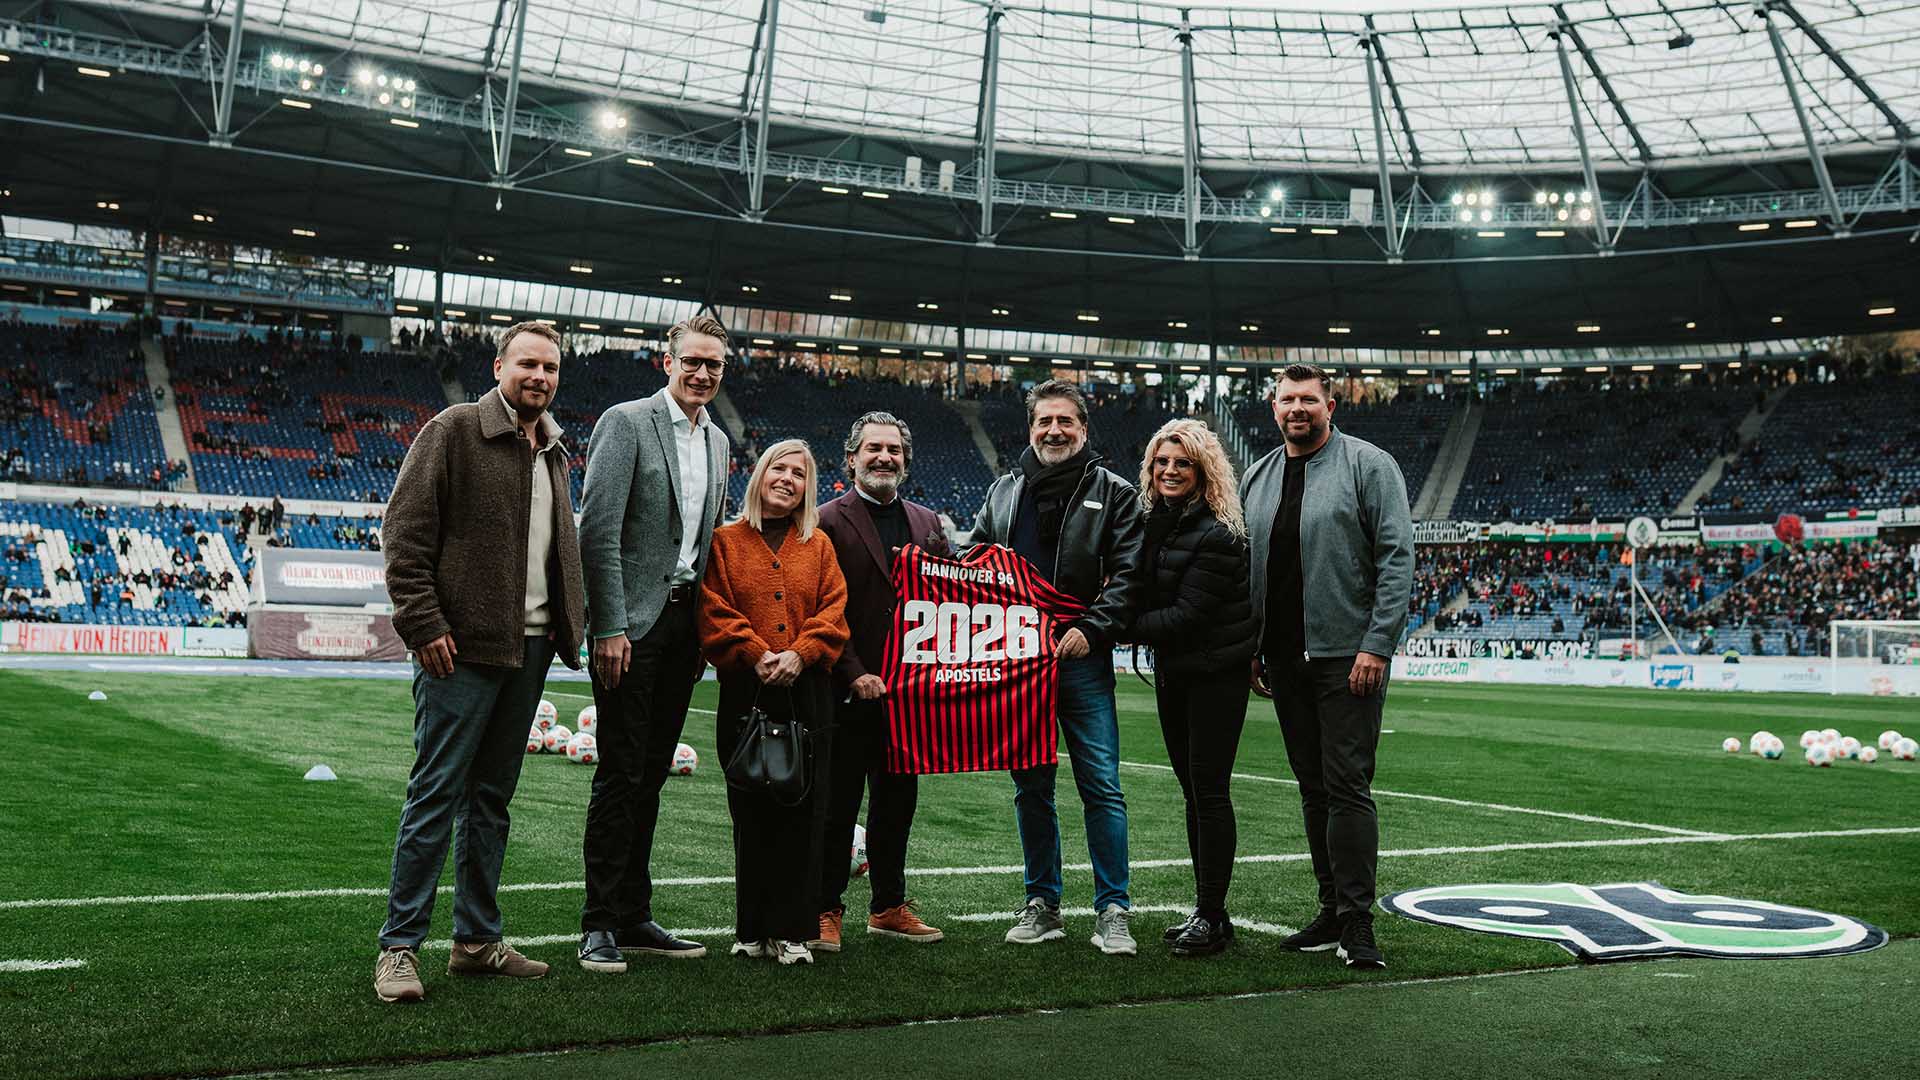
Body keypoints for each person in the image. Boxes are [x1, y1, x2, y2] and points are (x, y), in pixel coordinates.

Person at [373, 320, 587, 1003]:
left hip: (528, 651)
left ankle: (475, 941)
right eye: (528, 364)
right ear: (499, 367)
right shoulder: (454, 430)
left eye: (550, 368)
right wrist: (423, 623)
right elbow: (404, 536)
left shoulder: (553, 449)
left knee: (491, 802)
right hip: (458, 650)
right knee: (435, 796)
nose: (540, 377)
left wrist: (569, 631)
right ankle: (399, 948)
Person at [576, 314, 733, 973]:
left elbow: (707, 541)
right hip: (630, 627)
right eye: (692, 362)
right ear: (666, 362)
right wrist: (608, 625)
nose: (702, 374)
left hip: (682, 630)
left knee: (654, 775)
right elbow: (598, 531)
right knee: (619, 772)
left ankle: (635, 913)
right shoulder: (627, 421)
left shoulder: (721, 441)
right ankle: (600, 922)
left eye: (715, 366)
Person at [1243, 363, 1413, 971]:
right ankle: (1330, 911)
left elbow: (1397, 560)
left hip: (1348, 657)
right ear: (1273, 407)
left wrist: (1377, 646)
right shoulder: (1259, 476)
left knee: (1346, 787)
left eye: (1308, 399)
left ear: (1330, 405)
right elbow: (1251, 572)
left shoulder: (1370, 466)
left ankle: (1359, 922)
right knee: (1313, 789)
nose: (1297, 409)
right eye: (1287, 399)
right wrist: (1253, 648)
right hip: (1284, 659)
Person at [968, 379, 1146, 956]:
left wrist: (1089, 630)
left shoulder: (1115, 494)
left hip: (1083, 664)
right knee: (1031, 788)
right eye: (1044, 421)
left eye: (1064, 421)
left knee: (1102, 785)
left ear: (1083, 428)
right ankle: (1042, 903)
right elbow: (969, 562)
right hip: (1019, 665)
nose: (1053, 431)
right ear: (1031, 427)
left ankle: (1113, 909)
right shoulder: (1002, 492)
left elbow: (1129, 576)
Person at [699, 440, 850, 966]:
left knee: (803, 810)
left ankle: (791, 930)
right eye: (779, 468)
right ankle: (751, 928)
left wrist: (801, 654)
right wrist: (758, 652)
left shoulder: (819, 546)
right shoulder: (725, 542)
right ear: (760, 475)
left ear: (809, 487)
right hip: (746, 685)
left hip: (808, 689)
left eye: (800, 473)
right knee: (750, 807)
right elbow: (713, 608)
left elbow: (834, 612)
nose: (787, 478)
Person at [811, 411, 949, 952]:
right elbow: (819, 607)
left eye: (893, 450)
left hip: (910, 699)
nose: (884, 457)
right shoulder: (825, 520)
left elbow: (944, 607)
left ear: (906, 462)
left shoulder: (928, 523)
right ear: (851, 458)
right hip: (843, 691)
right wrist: (854, 670)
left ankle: (888, 904)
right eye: (873, 449)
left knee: (897, 803)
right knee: (837, 806)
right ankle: (825, 907)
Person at [1127, 419, 1255, 957]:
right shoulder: (1158, 522)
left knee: (1209, 792)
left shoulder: (1219, 533)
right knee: (1193, 794)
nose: (1170, 471)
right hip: (1177, 674)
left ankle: (1211, 912)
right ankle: (1210, 913)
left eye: (1182, 462)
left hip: (1214, 676)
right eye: (1162, 462)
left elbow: (1186, 616)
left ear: (1204, 471)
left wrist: (1109, 623)